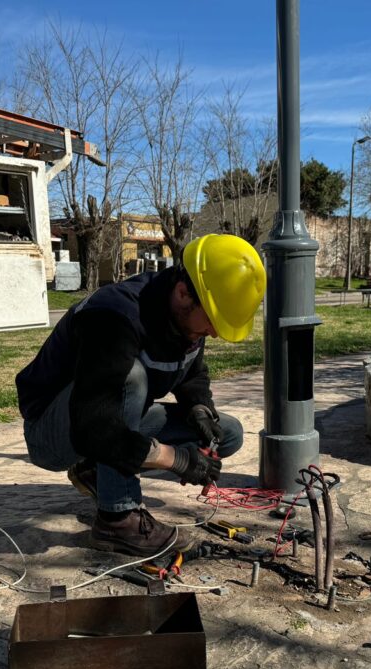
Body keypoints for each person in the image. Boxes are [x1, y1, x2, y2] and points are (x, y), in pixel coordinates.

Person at [17, 234, 267, 556]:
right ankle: (117, 519)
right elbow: (94, 428)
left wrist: (199, 408)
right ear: (182, 293)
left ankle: (96, 472)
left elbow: (192, 373)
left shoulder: (187, 317)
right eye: (212, 321)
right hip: (55, 431)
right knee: (130, 379)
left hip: (105, 418)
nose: (214, 332)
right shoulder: (113, 317)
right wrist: (176, 459)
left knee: (227, 434)